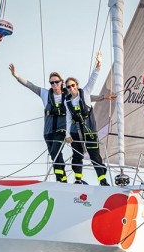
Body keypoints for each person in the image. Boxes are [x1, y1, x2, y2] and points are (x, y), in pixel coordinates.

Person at [9, 64, 68, 182]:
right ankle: (62, 178)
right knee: (54, 155)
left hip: (61, 130)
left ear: (61, 82)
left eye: (56, 82)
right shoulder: (45, 94)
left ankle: (61, 180)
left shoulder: (68, 95)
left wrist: (102, 97)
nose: (54, 85)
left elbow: (85, 97)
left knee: (56, 151)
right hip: (48, 132)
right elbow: (30, 85)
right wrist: (16, 76)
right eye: (52, 83)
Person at [64, 53, 114, 186]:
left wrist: (99, 64)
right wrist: (67, 135)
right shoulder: (66, 101)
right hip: (75, 131)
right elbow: (68, 118)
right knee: (77, 156)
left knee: (94, 155)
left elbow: (94, 78)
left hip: (89, 128)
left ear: (77, 85)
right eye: (68, 87)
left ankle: (102, 180)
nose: (71, 88)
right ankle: (78, 180)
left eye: (73, 85)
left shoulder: (85, 92)